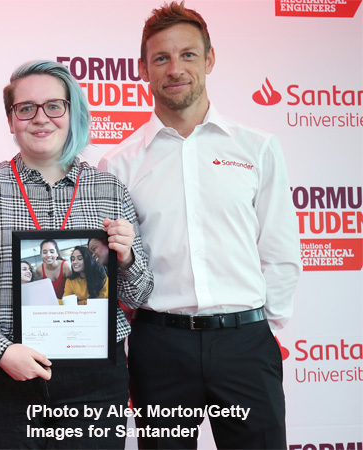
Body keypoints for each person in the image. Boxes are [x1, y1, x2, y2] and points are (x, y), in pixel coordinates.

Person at [99, 3, 302, 448]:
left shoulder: (258, 148)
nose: (175, 69)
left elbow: (281, 248)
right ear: (143, 69)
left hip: (245, 343)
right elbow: (117, 265)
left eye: (188, 55)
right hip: (159, 346)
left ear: (210, 59)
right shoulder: (118, 163)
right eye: (161, 58)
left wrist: (261, 326)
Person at [0, 60, 153, 449]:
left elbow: (138, 297)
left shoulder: (110, 189)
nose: (40, 118)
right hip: (2, 380)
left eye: (53, 106)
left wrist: (126, 261)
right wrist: (0, 351)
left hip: (93, 381)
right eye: (26, 108)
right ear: (11, 120)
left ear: (72, 112)